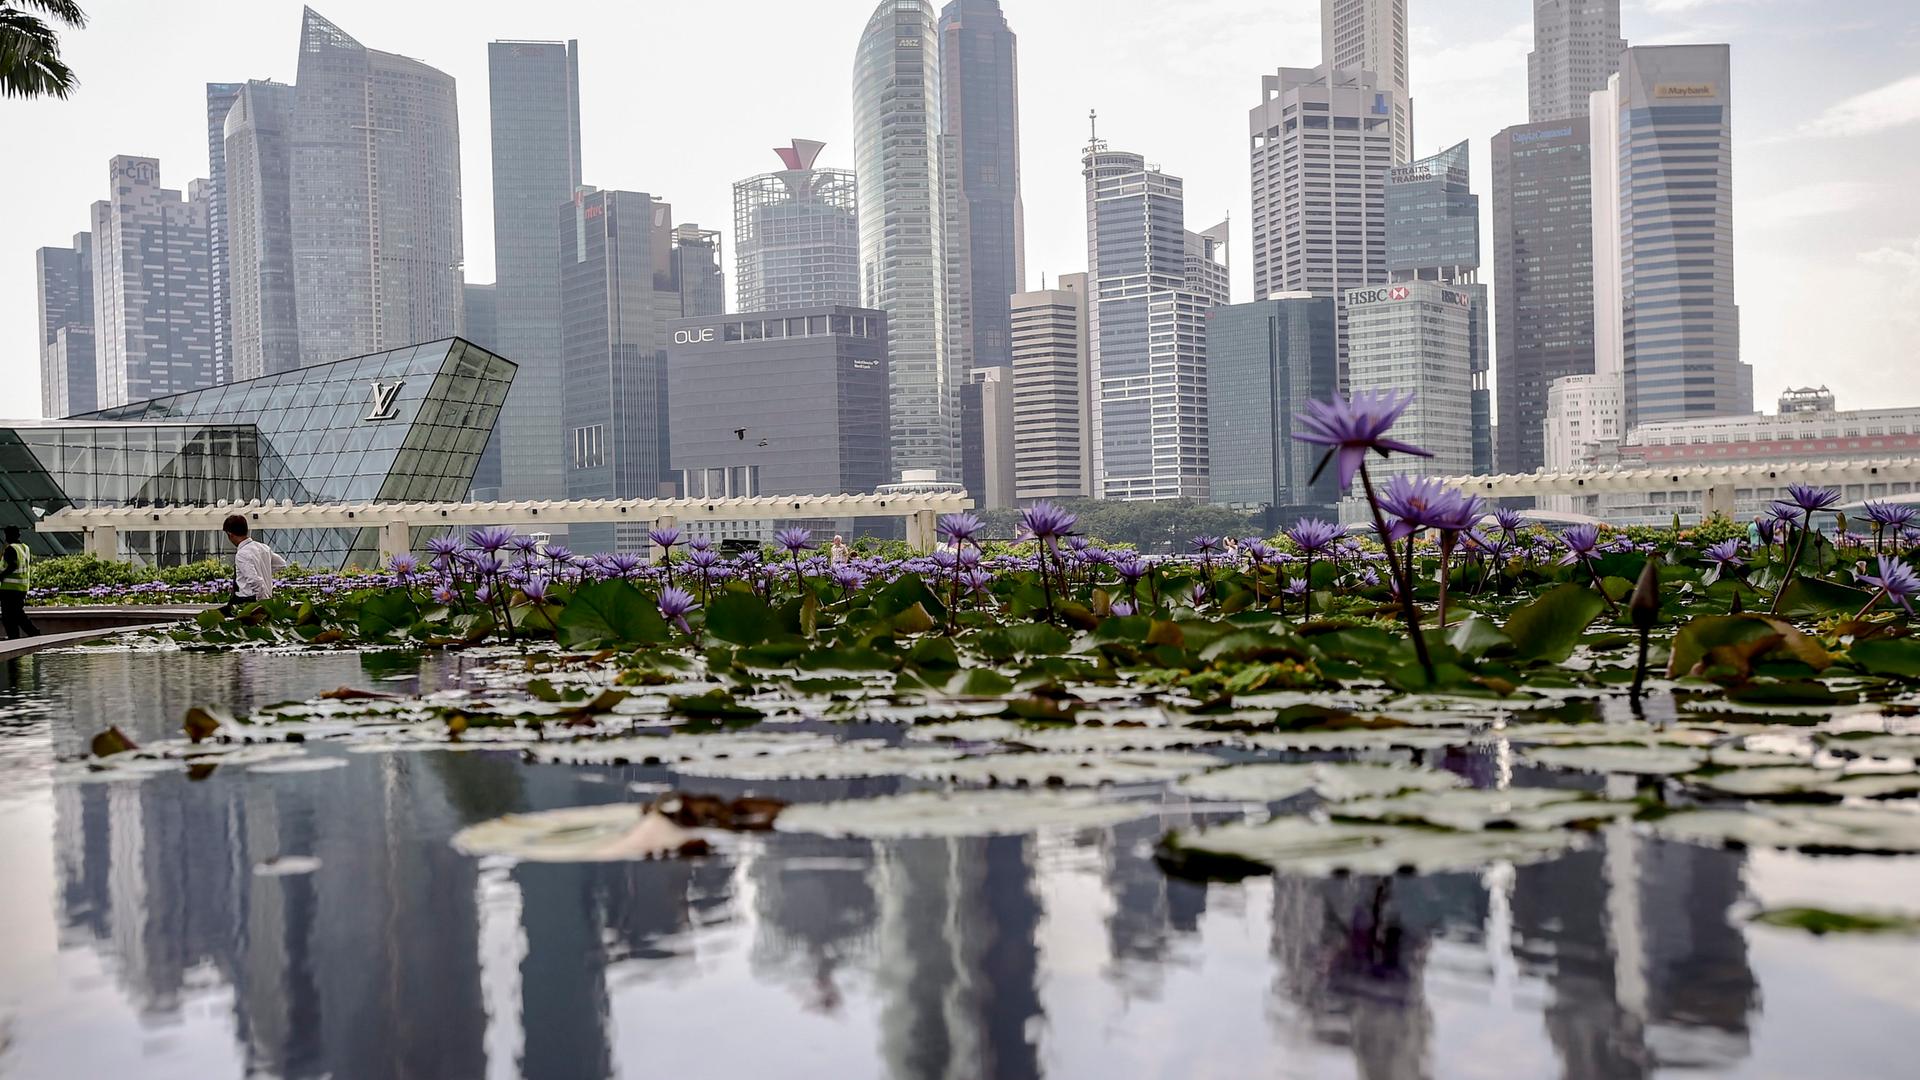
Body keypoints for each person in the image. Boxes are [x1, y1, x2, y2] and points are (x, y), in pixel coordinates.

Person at [224, 514, 286, 609]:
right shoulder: (264, 548)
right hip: (265, 597)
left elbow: (254, 580)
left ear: (230, 534)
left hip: (247, 601)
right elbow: (282, 564)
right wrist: (264, 571)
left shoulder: (242, 554)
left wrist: (262, 602)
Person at [1, 525, 40, 640]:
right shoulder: (25, 548)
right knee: (16, 613)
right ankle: (22, 635)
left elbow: (13, 565)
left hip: (9, 588)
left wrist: (1, 576)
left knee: (9, 615)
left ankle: (28, 634)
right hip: (22, 587)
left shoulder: (11, 549)